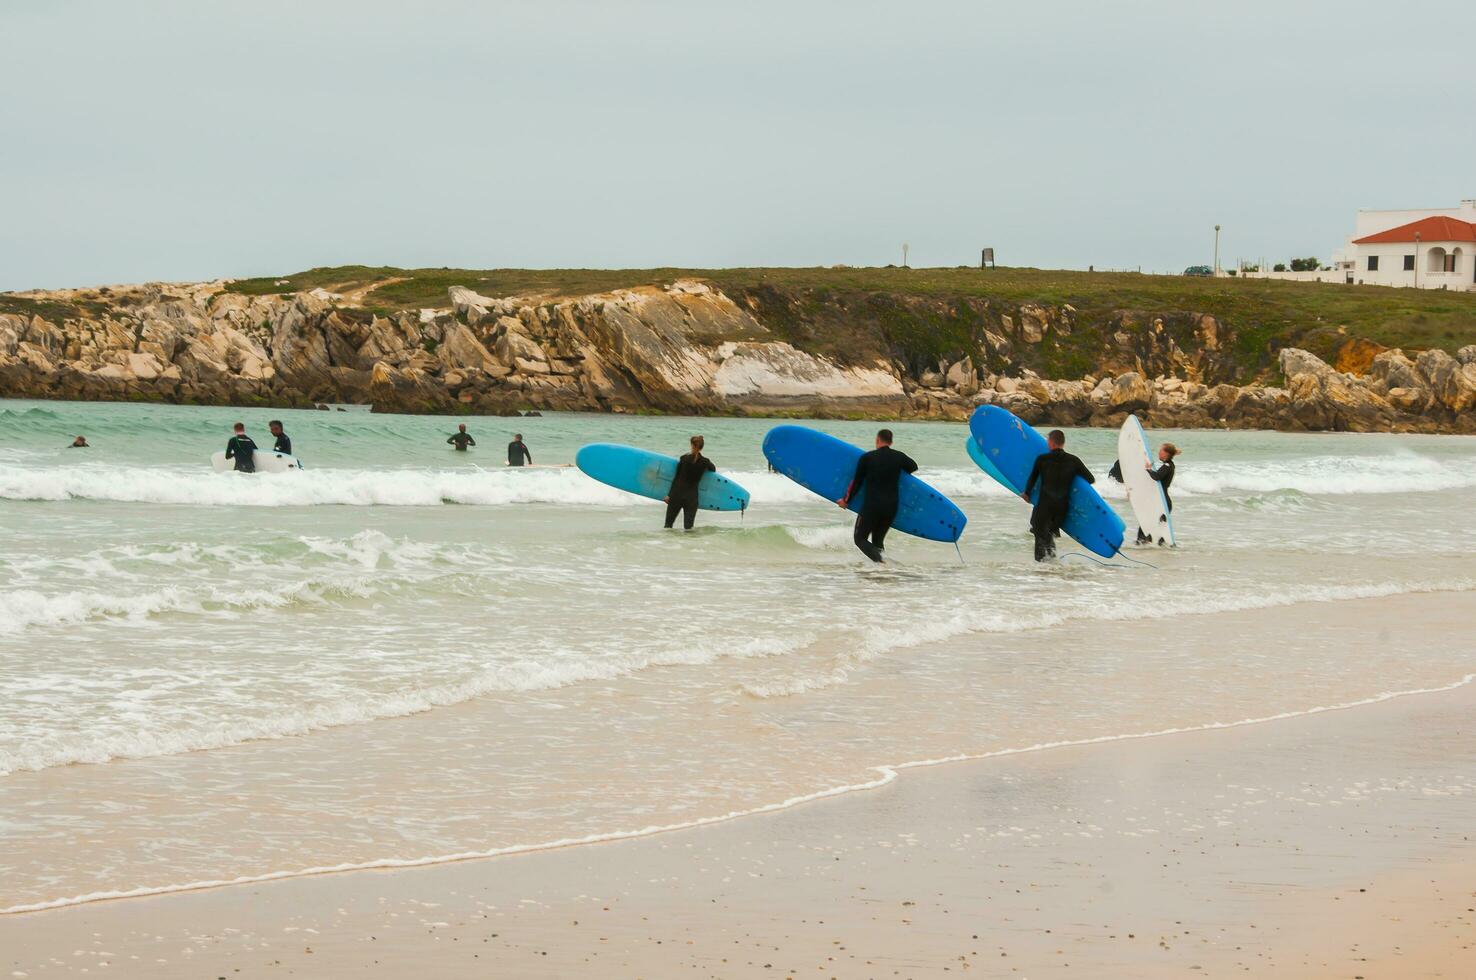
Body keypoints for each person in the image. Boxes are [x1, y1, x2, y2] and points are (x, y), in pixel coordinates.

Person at [837, 428, 917, 563]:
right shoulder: (899, 457)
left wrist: (846, 500)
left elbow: (856, 483)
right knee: (877, 540)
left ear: (877, 440)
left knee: (859, 539)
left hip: (872, 506)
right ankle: (882, 571)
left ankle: (881, 562)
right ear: (891, 442)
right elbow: (913, 466)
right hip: (891, 507)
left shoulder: (867, 458)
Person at [1022, 429, 1095, 562]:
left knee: (1039, 537)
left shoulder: (1042, 459)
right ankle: (1053, 568)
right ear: (1062, 443)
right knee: (1049, 535)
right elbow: (1090, 479)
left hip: (1044, 506)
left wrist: (1026, 493)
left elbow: (1032, 478)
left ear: (1051, 442)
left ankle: (1041, 570)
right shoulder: (1074, 461)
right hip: (1062, 508)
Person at [664, 435, 716, 530]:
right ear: (701, 447)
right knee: (688, 528)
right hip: (691, 498)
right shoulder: (705, 461)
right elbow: (713, 469)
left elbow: (677, 478)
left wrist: (669, 495)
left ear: (691, 445)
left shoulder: (684, 458)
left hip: (677, 495)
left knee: (668, 525)